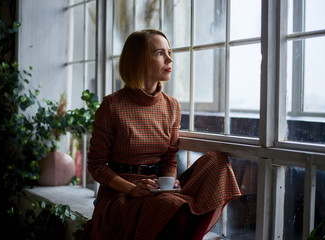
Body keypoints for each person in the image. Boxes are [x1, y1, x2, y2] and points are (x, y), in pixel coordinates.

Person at [81, 29, 241, 240]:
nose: (169, 58)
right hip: (122, 193)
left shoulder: (172, 106)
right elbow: (97, 166)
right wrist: (131, 188)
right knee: (176, 210)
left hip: (160, 187)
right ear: (138, 60)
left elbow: (169, 156)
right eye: (159, 53)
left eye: (169, 52)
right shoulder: (112, 106)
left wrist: (169, 181)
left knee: (218, 162)